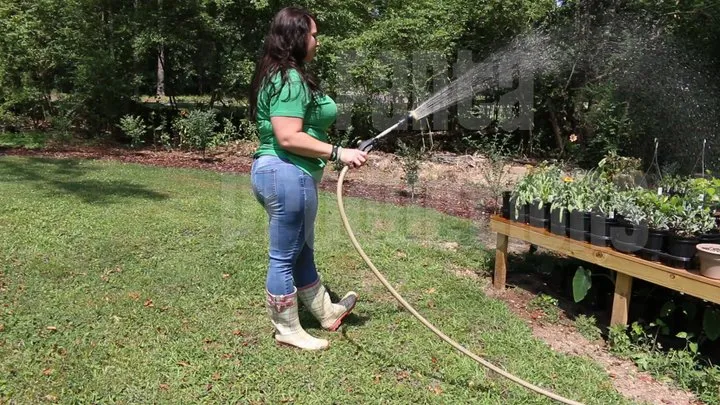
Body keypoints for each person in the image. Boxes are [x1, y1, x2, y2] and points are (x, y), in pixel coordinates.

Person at [248, 7, 368, 350]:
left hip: (280, 173)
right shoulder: (289, 78)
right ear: (297, 37)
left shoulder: (282, 74)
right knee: (284, 257)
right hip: (288, 173)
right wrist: (338, 153)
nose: (317, 41)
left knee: (301, 251)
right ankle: (286, 329)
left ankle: (326, 312)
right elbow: (288, 136)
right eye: (314, 34)